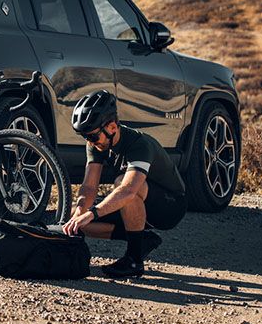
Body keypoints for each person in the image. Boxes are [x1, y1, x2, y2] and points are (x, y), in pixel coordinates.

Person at [61, 90, 186, 278]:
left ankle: (134, 260)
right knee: (72, 218)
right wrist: (80, 213)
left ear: (112, 127)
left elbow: (128, 190)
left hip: (170, 206)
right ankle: (142, 239)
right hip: (135, 201)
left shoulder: (139, 144)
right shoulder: (97, 143)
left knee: (123, 184)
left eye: (93, 137)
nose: (90, 142)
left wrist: (92, 213)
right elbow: (89, 187)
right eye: (85, 137)